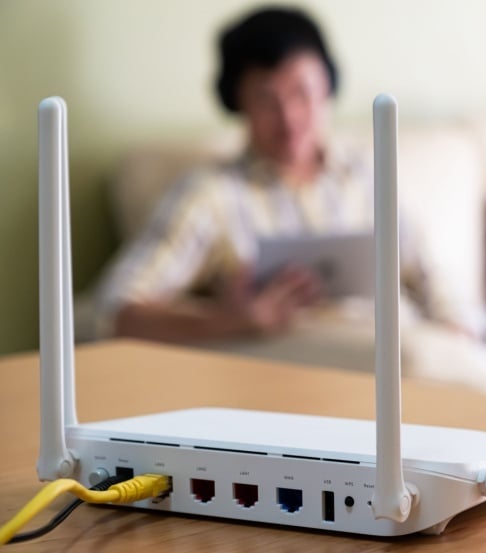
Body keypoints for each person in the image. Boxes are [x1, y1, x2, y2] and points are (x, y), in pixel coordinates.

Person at [92, 7, 425, 343]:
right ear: (237, 101)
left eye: (302, 93)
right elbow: (111, 311)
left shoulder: (367, 175)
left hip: (406, 356)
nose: (289, 118)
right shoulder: (211, 195)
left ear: (328, 85)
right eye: (267, 100)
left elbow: (436, 281)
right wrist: (229, 320)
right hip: (290, 366)